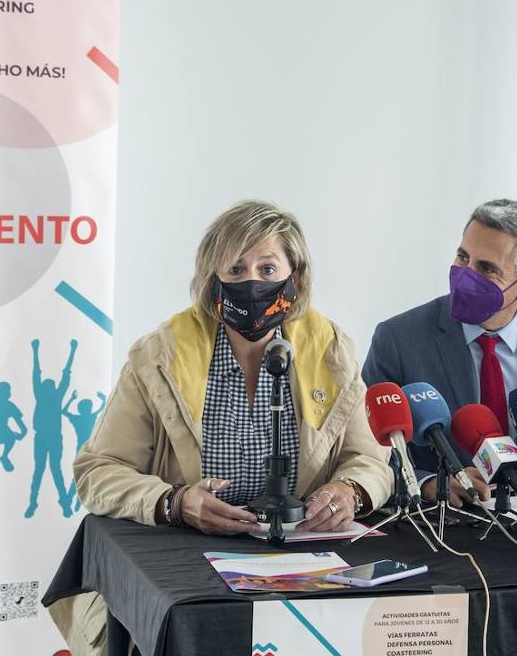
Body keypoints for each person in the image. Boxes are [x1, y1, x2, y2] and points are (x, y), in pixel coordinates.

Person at [50, 201, 391, 656]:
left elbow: (370, 459)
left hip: (300, 563)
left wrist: (350, 490)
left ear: (296, 277)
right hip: (185, 566)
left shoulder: (330, 351)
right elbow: (98, 470)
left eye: (268, 268)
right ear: (211, 279)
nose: (253, 282)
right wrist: (174, 502)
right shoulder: (159, 356)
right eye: (235, 268)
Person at [362, 198, 517, 506]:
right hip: (444, 524)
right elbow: (368, 455)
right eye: (462, 256)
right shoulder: (399, 339)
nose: (465, 274)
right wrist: (429, 484)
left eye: (486, 268)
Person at [27, 339, 77, 519]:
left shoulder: (53, 397)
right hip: (43, 437)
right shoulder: (46, 396)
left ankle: (63, 504)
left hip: (52, 437)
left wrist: (72, 351)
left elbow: (65, 375)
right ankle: (34, 502)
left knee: (51, 469)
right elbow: (37, 374)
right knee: (43, 469)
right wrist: (35, 351)